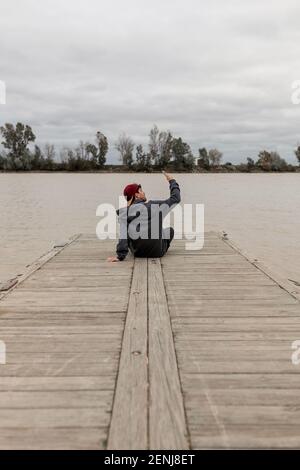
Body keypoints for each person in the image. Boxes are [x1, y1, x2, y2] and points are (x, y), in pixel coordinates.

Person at [107, 172, 181, 262]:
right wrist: (172, 181)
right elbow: (176, 198)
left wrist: (120, 256)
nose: (144, 192)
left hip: (138, 253)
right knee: (169, 230)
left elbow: (123, 237)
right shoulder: (154, 206)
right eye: (141, 191)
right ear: (136, 195)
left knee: (128, 232)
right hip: (158, 253)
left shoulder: (124, 213)